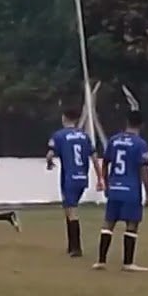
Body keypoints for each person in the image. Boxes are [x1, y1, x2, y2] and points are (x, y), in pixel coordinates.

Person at [95, 109, 148, 272]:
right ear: (142, 125)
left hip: (115, 188)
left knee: (108, 223)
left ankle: (101, 261)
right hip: (131, 190)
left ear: (126, 122)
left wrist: (105, 183)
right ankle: (128, 263)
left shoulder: (114, 140)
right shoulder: (140, 144)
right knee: (132, 224)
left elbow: (105, 162)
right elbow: (144, 169)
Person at [47, 106, 99, 257]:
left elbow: (50, 154)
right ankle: (71, 246)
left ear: (64, 118)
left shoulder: (59, 135)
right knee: (69, 209)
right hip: (82, 177)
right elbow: (94, 157)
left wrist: (49, 163)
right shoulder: (84, 136)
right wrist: (100, 178)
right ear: (76, 120)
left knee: (71, 210)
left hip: (69, 178)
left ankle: (76, 247)